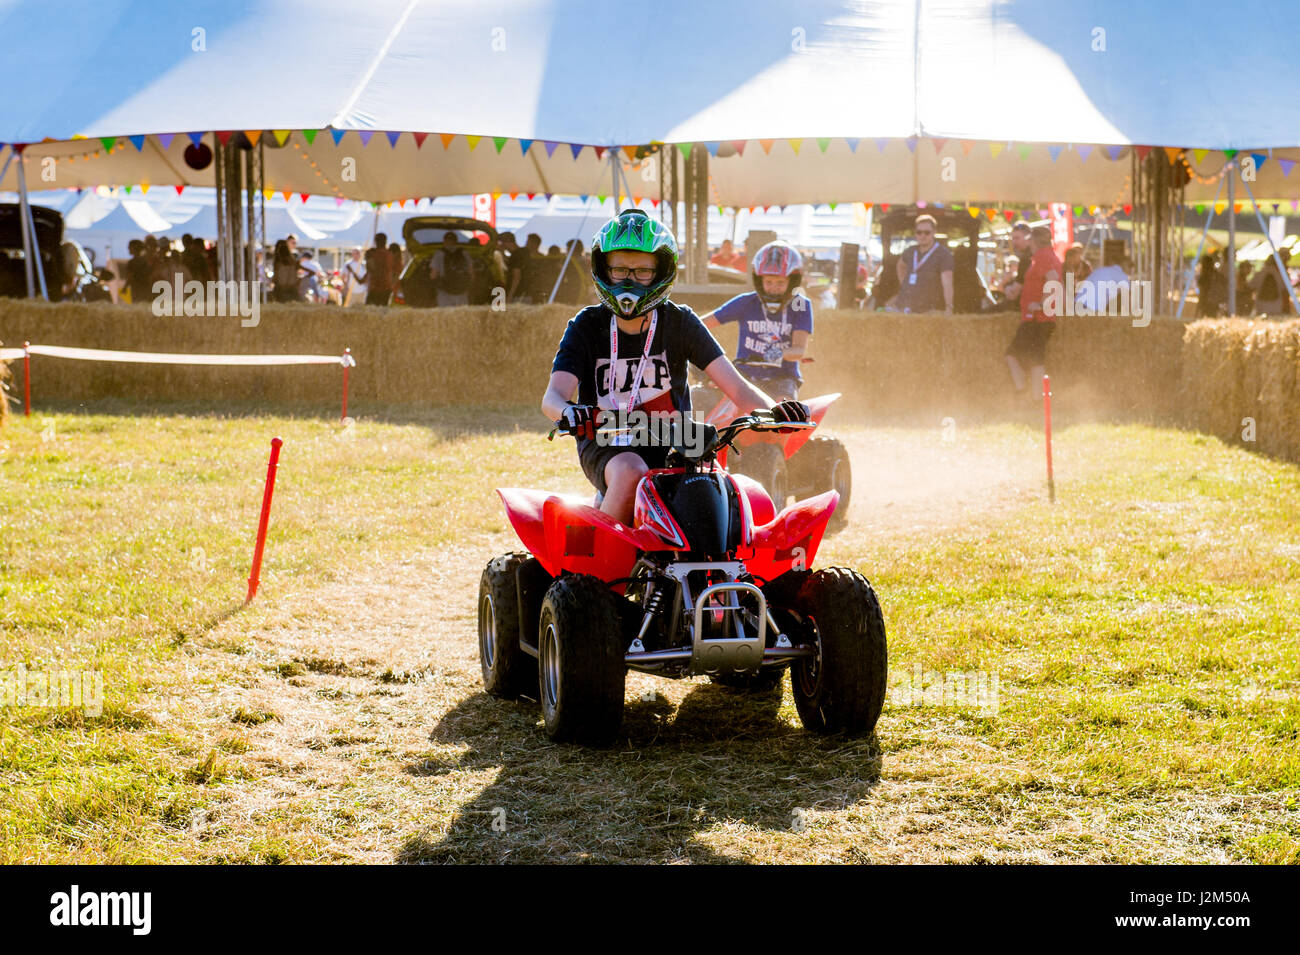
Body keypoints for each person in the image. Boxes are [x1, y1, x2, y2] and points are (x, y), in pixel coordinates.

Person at [542, 209, 810, 525]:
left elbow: (737, 387)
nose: (629, 279)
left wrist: (776, 413)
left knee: (719, 493)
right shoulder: (586, 325)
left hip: (677, 440)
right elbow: (553, 398)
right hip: (606, 437)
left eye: (643, 271)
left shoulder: (680, 322)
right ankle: (599, 571)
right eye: (619, 269)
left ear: (662, 271)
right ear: (603, 269)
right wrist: (570, 413)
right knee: (631, 472)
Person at [701, 240, 813, 401]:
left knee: (784, 407)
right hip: (744, 376)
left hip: (783, 378)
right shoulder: (746, 302)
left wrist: (773, 355)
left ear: (792, 282)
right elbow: (702, 324)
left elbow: (799, 350)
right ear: (759, 280)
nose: (774, 287)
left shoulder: (800, 305)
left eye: (780, 282)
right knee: (707, 395)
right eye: (768, 282)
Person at [1005, 226, 1062, 400]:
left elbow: (1053, 279)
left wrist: (1041, 304)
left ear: (1033, 241)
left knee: (1013, 355)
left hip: (1037, 318)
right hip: (1041, 317)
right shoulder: (1050, 256)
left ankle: (1024, 392)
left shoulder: (1042, 256)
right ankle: (1036, 397)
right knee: (1035, 358)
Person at [893, 214, 953, 313]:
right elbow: (900, 265)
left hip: (929, 308)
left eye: (927, 232)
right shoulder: (910, 251)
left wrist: (949, 307)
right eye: (919, 232)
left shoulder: (943, 254)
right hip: (905, 306)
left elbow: (947, 281)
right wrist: (904, 283)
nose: (922, 236)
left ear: (934, 232)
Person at [429, 231, 473, 307]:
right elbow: (471, 273)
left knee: (446, 315)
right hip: (461, 290)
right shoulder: (464, 253)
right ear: (456, 241)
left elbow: (434, 274)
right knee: (462, 314)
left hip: (444, 291)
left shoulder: (439, 253)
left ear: (444, 241)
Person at [365, 233, 392, 305]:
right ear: (385, 241)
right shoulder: (389, 254)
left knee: (370, 311)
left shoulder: (373, 254)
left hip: (375, 288)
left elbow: (370, 269)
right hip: (386, 287)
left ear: (376, 242)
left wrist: (368, 258)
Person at [125, 239, 153, 304]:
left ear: (134, 248)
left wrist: (125, 287)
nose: (128, 249)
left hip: (136, 288)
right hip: (145, 288)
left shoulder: (132, 262)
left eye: (129, 247)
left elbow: (130, 276)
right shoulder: (145, 261)